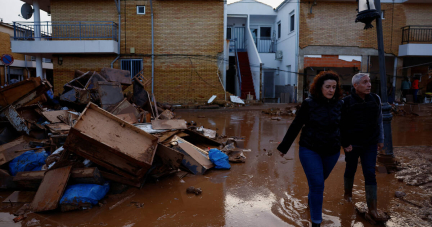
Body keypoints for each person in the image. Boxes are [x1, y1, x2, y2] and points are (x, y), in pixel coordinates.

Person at [277, 71, 343, 227]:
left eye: (334, 87)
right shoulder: (309, 103)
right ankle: (316, 223)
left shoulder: (340, 104)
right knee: (318, 184)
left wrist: (347, 144)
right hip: (310, 149)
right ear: (320, 87)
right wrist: (284, 147)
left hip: (332, 151)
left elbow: (344, 126)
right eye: (327, 87)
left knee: (317, 183)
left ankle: (311, 200)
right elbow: (296, 125)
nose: (331, 90)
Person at [341, 73, 387, 221]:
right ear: (355, 86)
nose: (369, 85)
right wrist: (344, 143)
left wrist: (381, 139)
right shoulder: (346, 102)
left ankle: (372, 209)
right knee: (351, 168)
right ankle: (347, 194)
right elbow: (341, 125)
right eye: (365, 82)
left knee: (370, 172)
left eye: (369, 82)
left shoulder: (375, 99)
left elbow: (379, 120)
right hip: (352, 145)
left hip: (370, 144)